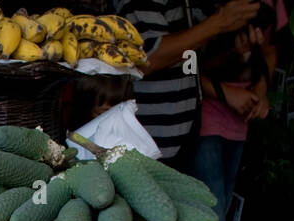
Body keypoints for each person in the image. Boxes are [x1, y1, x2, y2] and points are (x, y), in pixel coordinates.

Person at [113, 0, 263, 165]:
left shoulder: (188, 6)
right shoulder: (139, 4)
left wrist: (235, 51)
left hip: (181, 143)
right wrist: (219, 22)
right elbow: (146, 59)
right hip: (141, 146)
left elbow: (190, 65)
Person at [192, 1, 285, 221]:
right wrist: (226, 93)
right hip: (204, 116)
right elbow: (184, 64)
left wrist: (260, 92)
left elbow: (270, 51)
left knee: (216, 215)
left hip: (240, 120)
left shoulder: (272, 5)